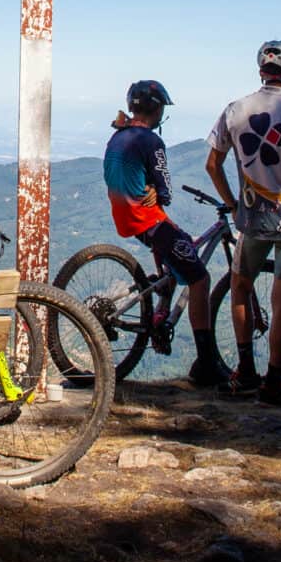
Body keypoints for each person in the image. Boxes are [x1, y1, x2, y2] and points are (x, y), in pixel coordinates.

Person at [206, 40, 281, 406]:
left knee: (240, 288)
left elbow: (213, 164)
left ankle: (244, 372)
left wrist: (234, 204)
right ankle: (274, 383)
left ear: (261, 72)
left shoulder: (234, 111)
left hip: (253, 219)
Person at [103, 80, 220, 387]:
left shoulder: (118, 136)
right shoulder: (151, 142)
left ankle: (161, 306)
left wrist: (149, 187)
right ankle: (207, 362)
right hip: (145, 217)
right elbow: (165, 188)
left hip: (125, 215)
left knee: (176, 249)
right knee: (199, 278)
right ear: (157, 109)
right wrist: (158, 190)